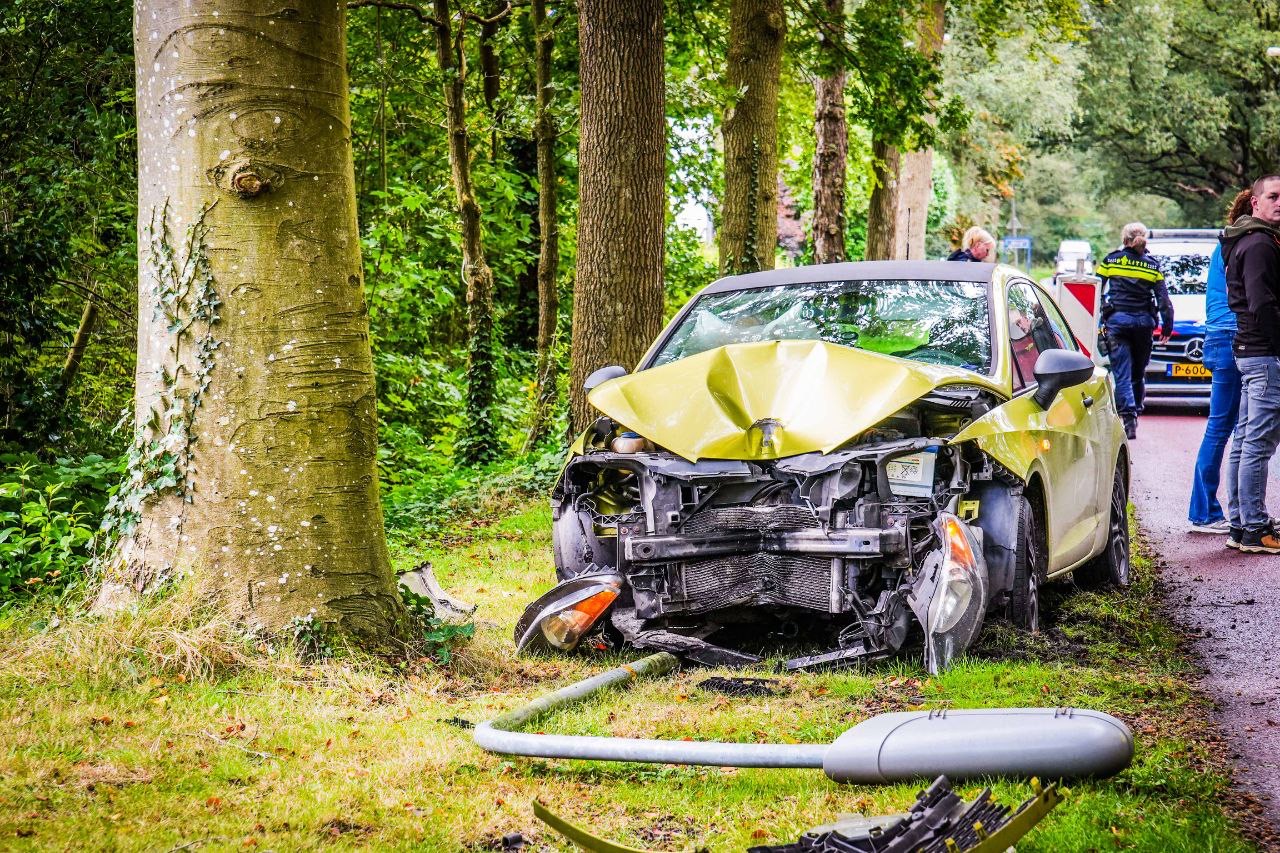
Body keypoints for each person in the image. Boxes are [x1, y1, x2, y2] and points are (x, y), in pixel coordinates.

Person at [1188, 190, 1253, 534]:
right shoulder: (1245, 245)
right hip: (1234, 336)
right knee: (1232, 429)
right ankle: (1206, 512)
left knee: (1221, 426)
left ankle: (1208, 510)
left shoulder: (1224, 245)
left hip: (1217, 335)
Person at [1223, 174, 1280, 553]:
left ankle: (1241, 524)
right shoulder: (1260, 243)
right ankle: (1255, 530)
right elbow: (1262, 304)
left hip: (1249, 353)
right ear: (1256, 202)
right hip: (1263, 354)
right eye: (1274, 197)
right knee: (1257, 443)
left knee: (1245, 440)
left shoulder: (1244, 238)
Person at [1097, 223, 1174, 439]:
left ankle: (1129, 419)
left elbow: (1095, 288)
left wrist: (1101, 313)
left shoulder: (1111, 260)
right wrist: (1167, 326)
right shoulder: (1152, 266)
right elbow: (1163, 300)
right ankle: (1137, 408)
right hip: (1143, 325)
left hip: (1118, 323)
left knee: (1122, 372)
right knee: (1138, 372)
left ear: (1124, 239)